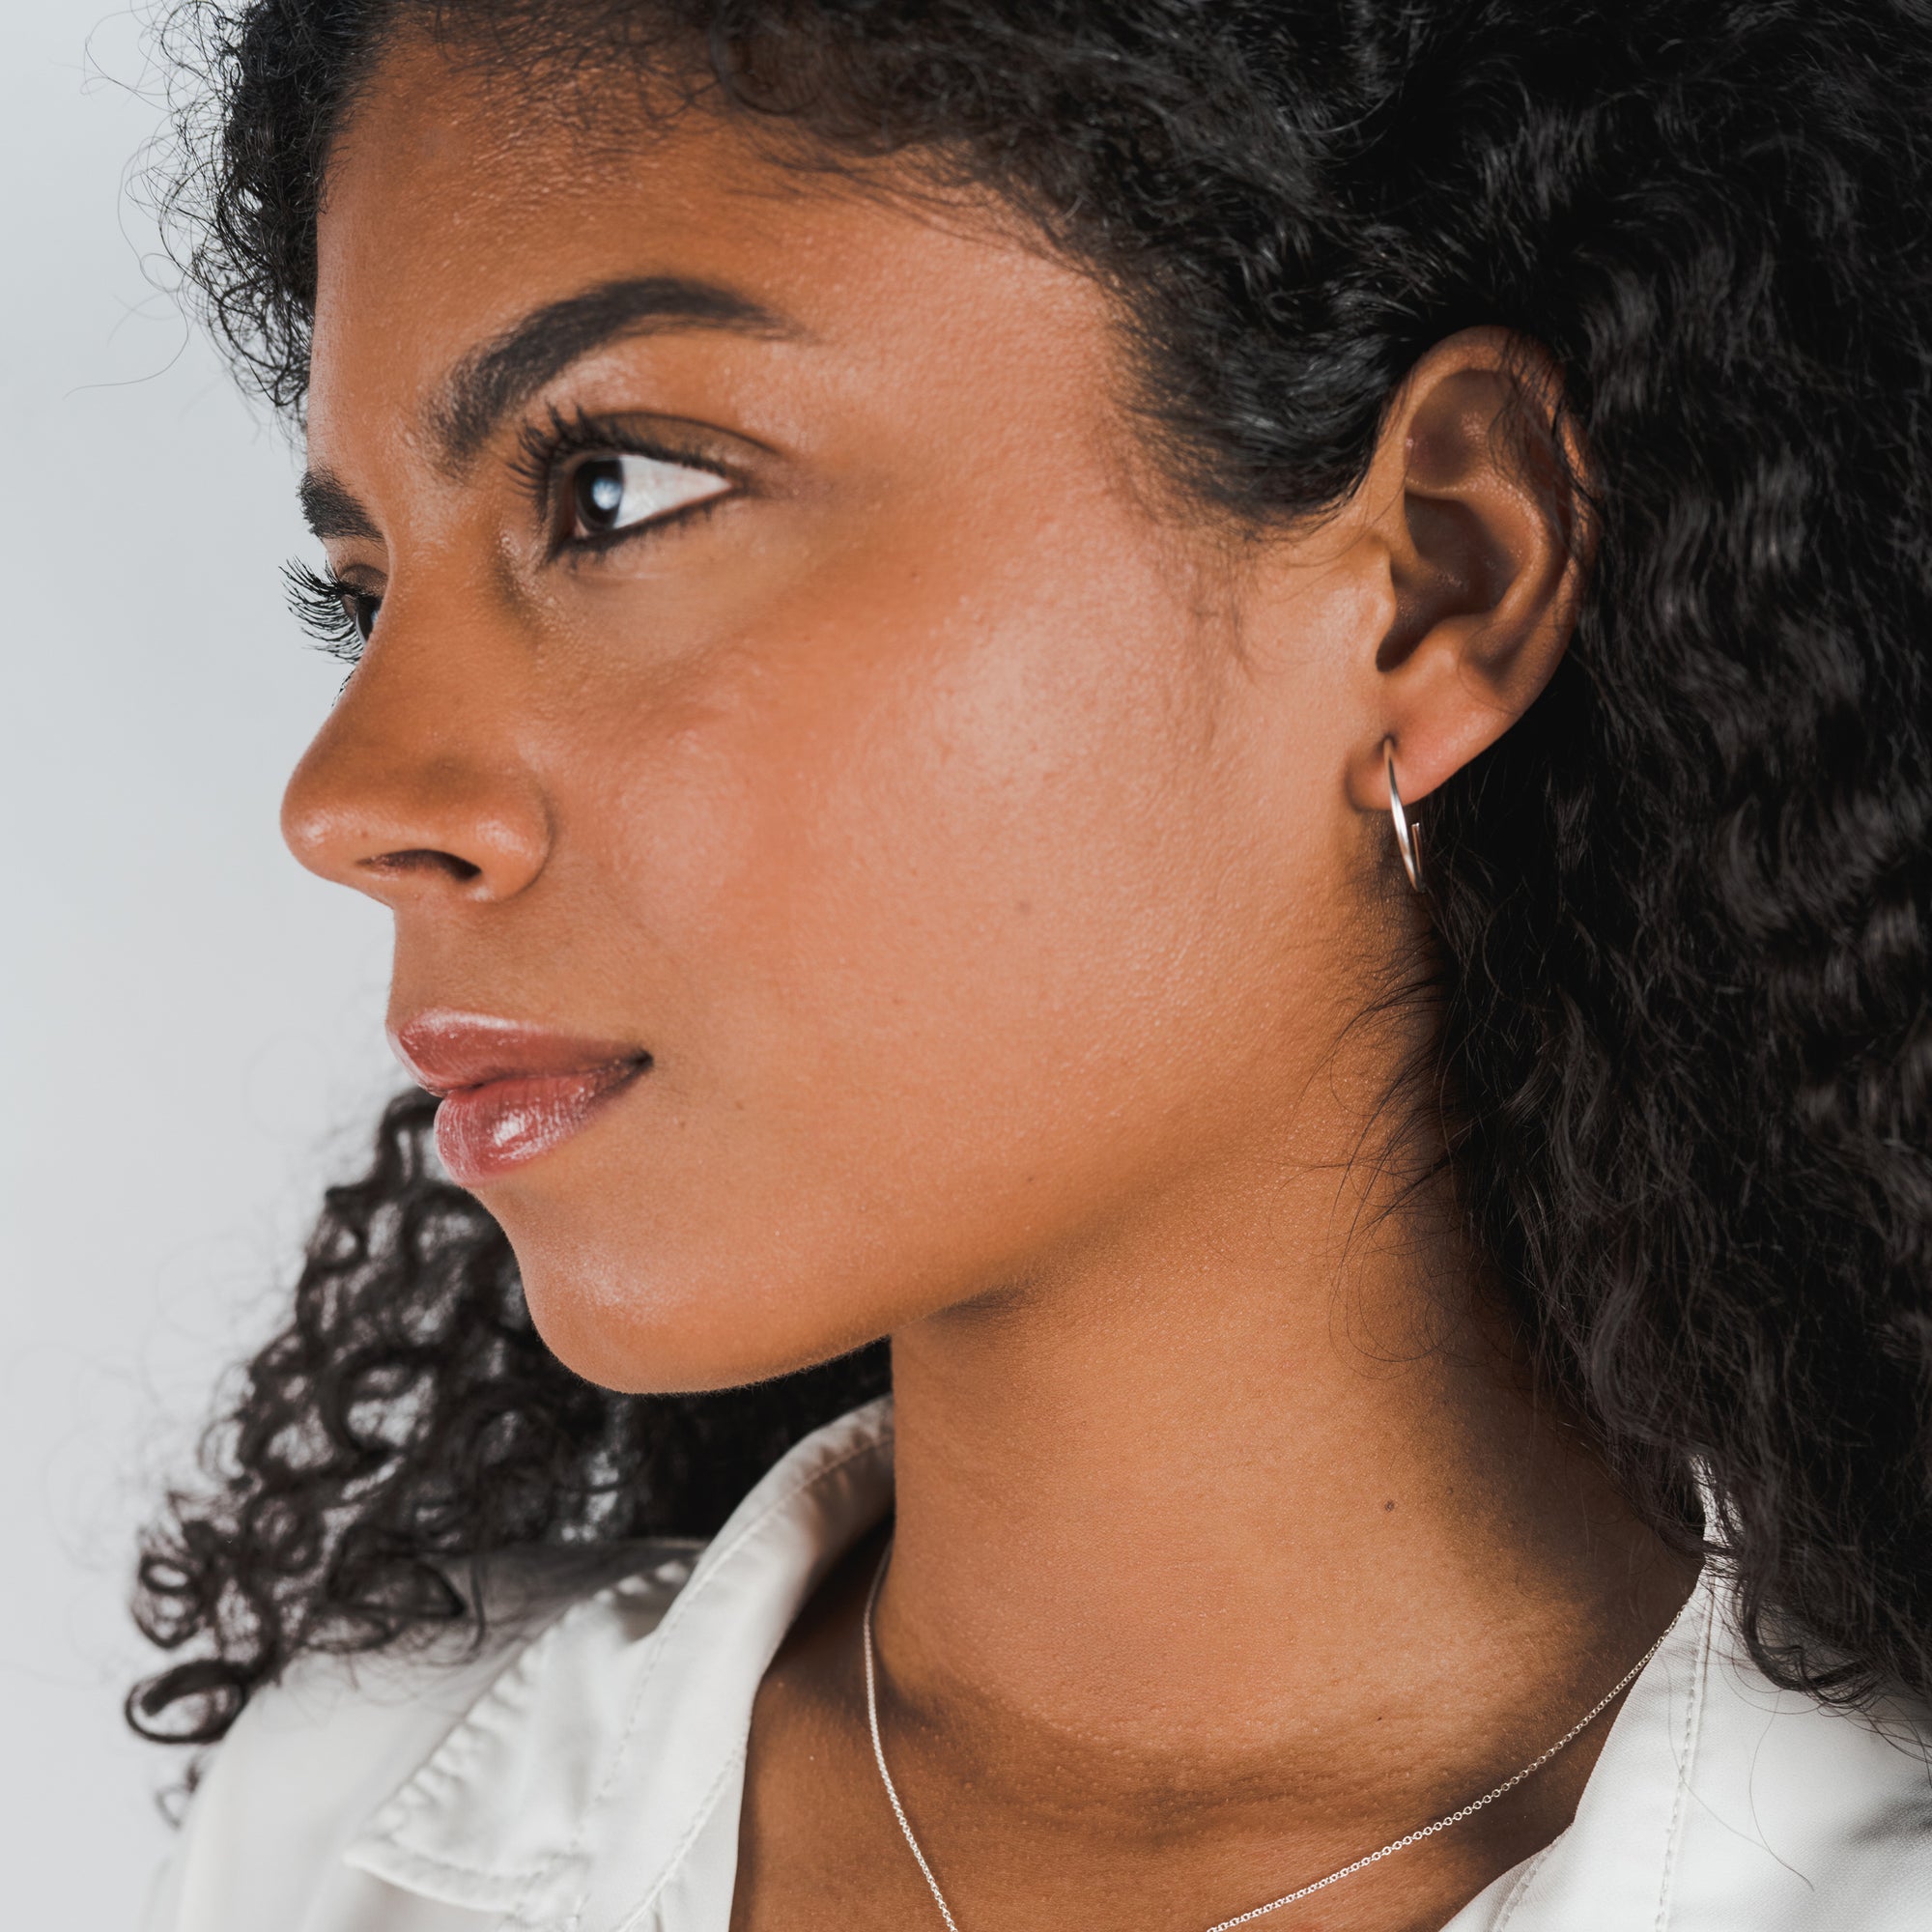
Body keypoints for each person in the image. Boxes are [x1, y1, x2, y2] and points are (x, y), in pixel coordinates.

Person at [130, 4, 1932, 1928]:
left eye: (617, 493)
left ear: (1434, 576)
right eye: (365, 591)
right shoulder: (343, 1825)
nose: (352, 797)